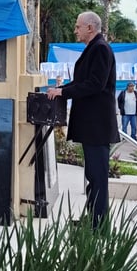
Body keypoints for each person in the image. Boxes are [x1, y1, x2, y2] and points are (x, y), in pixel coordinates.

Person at [46, 12, 119, 228]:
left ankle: (98, 225)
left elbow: (95, 84)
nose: (75, 30)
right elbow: (81, 81)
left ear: (90, 27)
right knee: (93, 175)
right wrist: (61, 89)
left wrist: (63, 92)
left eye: (78, 27)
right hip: (92, 126)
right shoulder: (94, 48)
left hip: (96, 125)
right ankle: (93, 219)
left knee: (97, 177)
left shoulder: (100, 48)